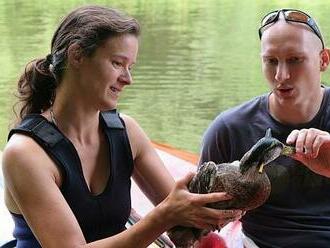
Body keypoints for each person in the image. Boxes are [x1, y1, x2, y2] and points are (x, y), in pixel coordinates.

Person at [1, 5, 243, 248]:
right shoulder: (25, 153)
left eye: (131, 67)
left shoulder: (126, 131)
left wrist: (234, 196)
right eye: (118, 63)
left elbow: (186, 213)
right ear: (77, 55)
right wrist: (162, 217)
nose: (128, 79)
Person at [200, 8, 330, 248]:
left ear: (323, 60)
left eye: (295, 59)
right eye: (271, 61)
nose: (281, 75)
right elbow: (197, 219)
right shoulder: (229, 129)